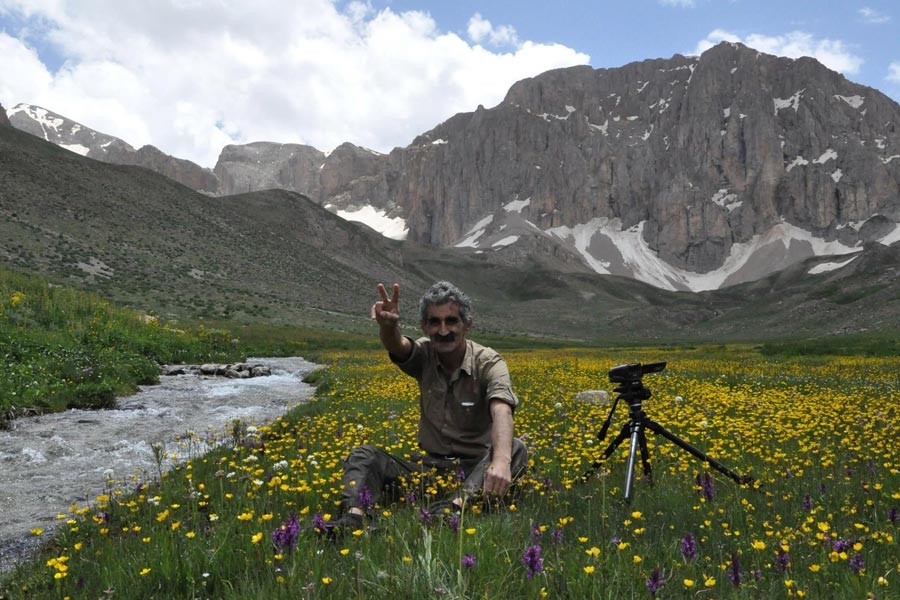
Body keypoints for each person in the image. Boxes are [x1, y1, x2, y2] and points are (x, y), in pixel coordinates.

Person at [325, 281, 528, 534]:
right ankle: (354, 519)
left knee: (515, 448)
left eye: (451, 321)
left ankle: (452, 511)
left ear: (467, 325)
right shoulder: (425, 354)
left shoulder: (489, 363)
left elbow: (502, 410)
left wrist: (499, 462)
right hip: (427, 470)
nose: (443, 330)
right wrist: (389, 327)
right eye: (435, 322)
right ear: (425, 326)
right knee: (365, 455)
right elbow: (398, 346)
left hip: (474, 470)